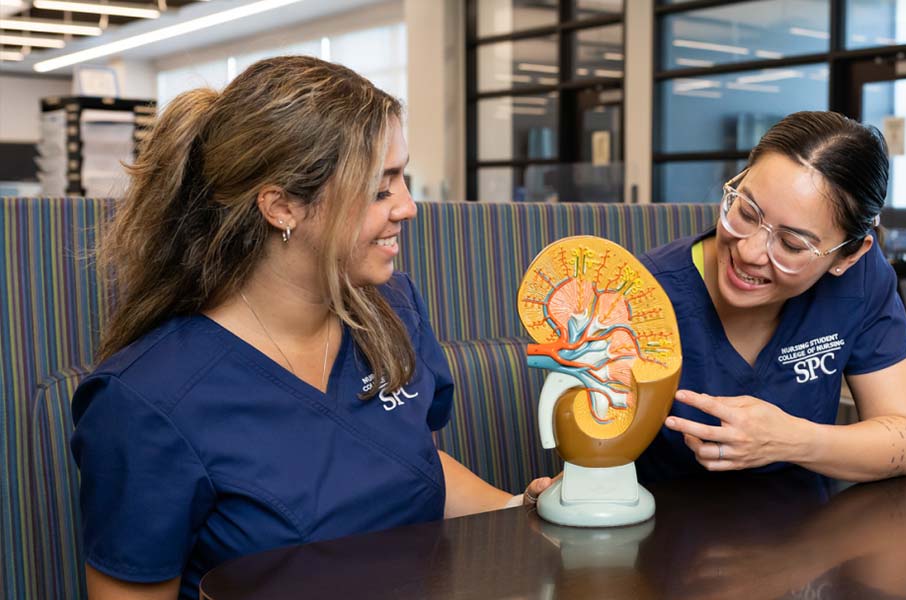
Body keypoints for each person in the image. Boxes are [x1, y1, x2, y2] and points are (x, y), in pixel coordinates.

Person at [71, 56, 553, 600]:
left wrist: (520, 507)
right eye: (380, 188)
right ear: (281, 207)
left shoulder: (391, 309)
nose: (409, 207)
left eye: (404, 178)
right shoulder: (146, 401)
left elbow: (405, 460)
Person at [635, 111, 906, 483]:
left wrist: (790, 441)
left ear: (848, 255)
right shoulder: (646, 292)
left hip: (810, 531)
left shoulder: (861, 279)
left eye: (792, 244)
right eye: (746, 211)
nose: (750, 251)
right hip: (670, 533)